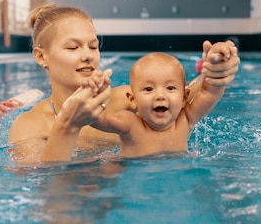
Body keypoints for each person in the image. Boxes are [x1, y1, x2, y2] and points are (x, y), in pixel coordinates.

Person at [8, 2, 239, 165]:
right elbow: (41, 185)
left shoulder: (122, 99)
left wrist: (213, 73)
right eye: (73, 47)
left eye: (93, 46)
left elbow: (180, 96)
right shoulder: (30, 125)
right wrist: (67, 125)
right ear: (41, 56)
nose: (88, 55)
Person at [90, 50, 230, 158]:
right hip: (131, 171)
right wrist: (94, 95)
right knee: (110, 166)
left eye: (170, 88)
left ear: (184, 97)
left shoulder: (186, 119)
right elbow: (97, 119)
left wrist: (217, 70)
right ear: (133, 100)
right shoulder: (130, 124)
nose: (160, 96)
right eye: (148, 89)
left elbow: (209, 93)